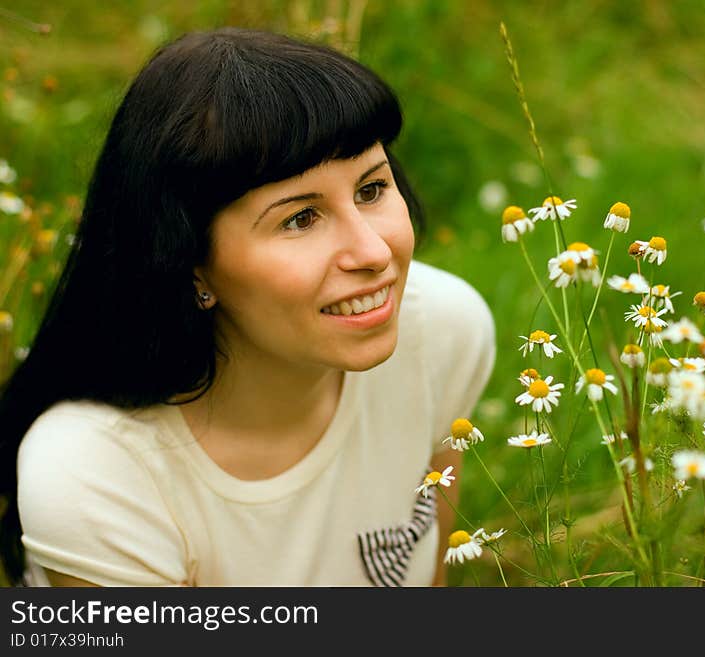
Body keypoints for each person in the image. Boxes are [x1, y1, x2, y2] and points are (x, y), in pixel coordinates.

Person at [0, 27, 495, 587]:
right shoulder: (98, 473)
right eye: (300, 218)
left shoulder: (443, 332)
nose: (374, 252)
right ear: (190, 261)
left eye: (370, 190)